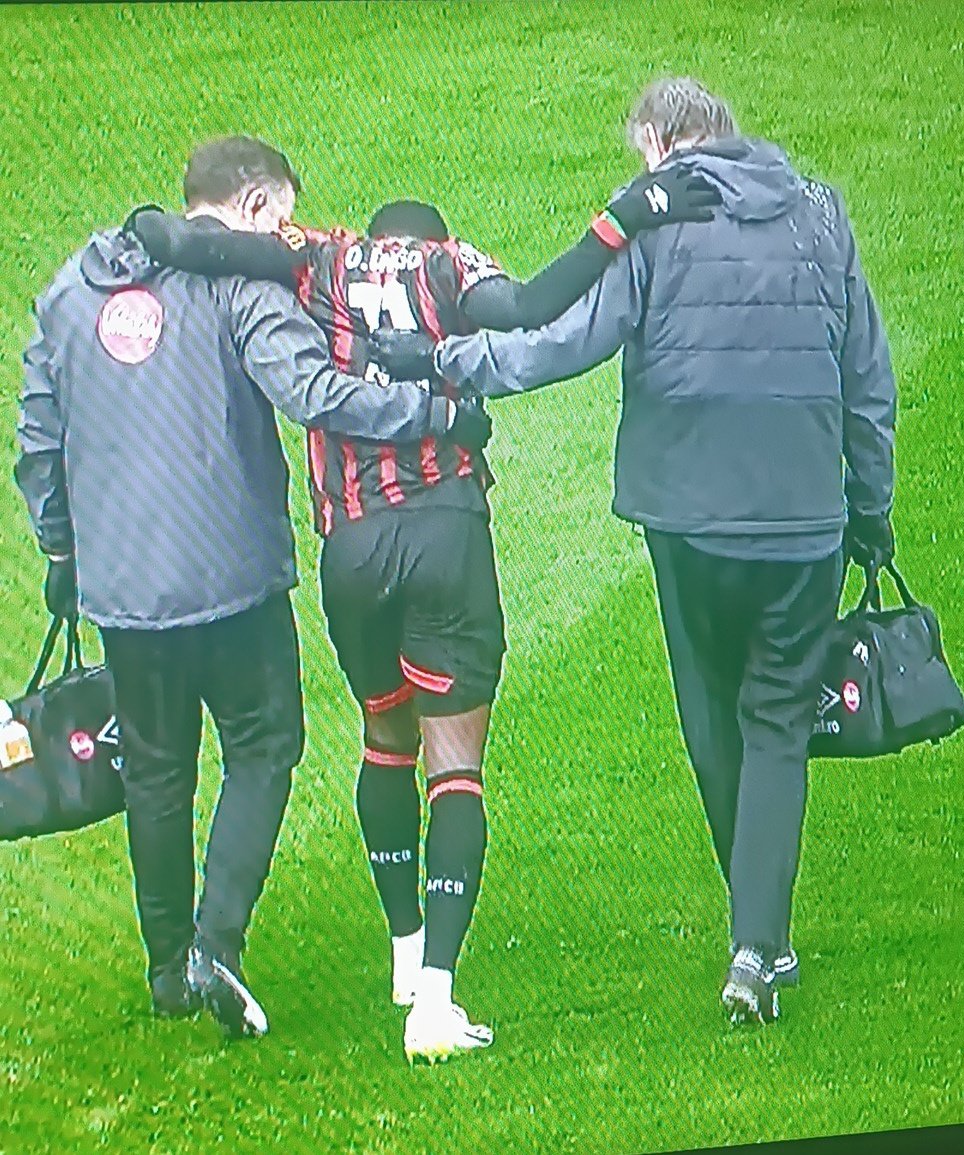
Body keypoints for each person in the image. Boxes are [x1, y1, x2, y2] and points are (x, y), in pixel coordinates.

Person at [125, 175, 721, 1063]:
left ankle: (403, 951)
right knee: (455, 767)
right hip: (444, 535)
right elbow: (532, 305)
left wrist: (148, 228)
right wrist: (623, 218)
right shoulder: (448, 265)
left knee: (384, 740)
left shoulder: (320, 256)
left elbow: (197, 244)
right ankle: (435, 999)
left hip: (352, 550)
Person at [373, 77, 898, 1028]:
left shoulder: (655, 218)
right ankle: (757, 944)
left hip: (688, 521)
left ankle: (761, 939)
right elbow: (866, 372)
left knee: (712, 715)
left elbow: (561, 342)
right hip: (802, 517)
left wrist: (444, 361)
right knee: (777, 722)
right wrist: (872, 504)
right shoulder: (820, 213)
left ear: (658, 142)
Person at [13, 135, 481, 1041]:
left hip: (126, 592)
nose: (288, 237)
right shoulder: (239, 285)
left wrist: (63, 550)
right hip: (231, 580)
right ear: (256, 208)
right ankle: (216, 943)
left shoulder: (71, 290)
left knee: (156, 771)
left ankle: (168, 971)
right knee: (264, 746)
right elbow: (312, 391)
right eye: (283, 219)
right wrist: (430, 412)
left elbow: (39, 437)